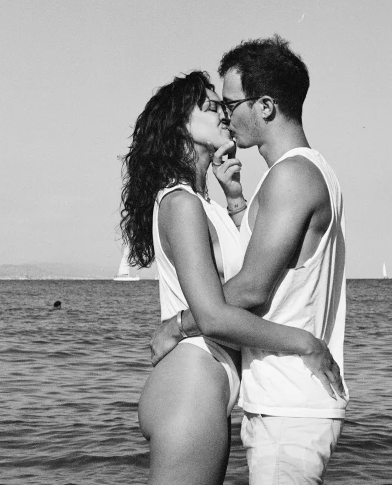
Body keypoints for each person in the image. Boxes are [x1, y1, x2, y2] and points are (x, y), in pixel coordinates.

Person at [120, 70, 345, 485]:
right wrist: (305, 342)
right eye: (210, 107)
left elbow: (245, 272)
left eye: (224, 106)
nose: (223, 114)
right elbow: (214, 316)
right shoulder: (180, 203)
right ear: (179, 127)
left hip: (207, 384)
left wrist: (236, 200)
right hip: (191, 385)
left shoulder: (205, 204)